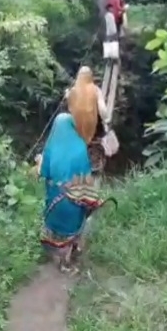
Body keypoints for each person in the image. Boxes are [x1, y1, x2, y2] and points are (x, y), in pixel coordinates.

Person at [37, 113, 105, 273]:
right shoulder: (79, 148)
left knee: (56, 226)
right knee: (72, 224)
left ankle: (56, 255)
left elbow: (44, 173)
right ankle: (67, 260)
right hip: (73, 198)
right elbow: (85, 177)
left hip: (55, 197)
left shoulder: (49, 148)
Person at [66, 66, 111, 173]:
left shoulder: (72, 91)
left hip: (75, 129)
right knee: (99, 137)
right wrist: (107, 119)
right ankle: (94, 163)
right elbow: (102, 110)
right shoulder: (95, 90)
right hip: (93, 130)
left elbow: (69, 107)